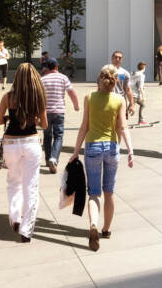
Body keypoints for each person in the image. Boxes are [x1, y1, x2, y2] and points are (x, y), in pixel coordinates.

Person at [69, 64, 134, 251]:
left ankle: (93, 225)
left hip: (92, 147)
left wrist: (75, 151)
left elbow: (84, 127)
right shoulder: (119, 100)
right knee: (109, 192)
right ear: (115, 82)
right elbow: (122, 127)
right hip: (113, 147)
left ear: (100, 79)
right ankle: (106, 230)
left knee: (94, 192)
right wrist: (130, 150)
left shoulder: (89, 98)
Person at [0, 63, 48, 243]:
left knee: (13, 182)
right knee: (30, 186)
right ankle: (26, 230)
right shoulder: (38, 97)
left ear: (16, 77)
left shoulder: (8, 97)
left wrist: (12, 116)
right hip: (31, 143)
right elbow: (45, 124)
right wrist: (33, 118)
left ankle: (15, 218)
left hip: (11, 143)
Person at [40, 58, 80, 172]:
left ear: (47, 67)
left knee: (47, 136)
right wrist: (76, 106)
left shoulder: (42, 79)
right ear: (57, 66)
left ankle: (48, 159)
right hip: (59, 112)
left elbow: (38, 96)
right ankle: (54, 158)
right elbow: (72, 92)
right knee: (58, 136)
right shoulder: (63, 78)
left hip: (45, 112)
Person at [110, 51, 134, 121]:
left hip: (120, 102)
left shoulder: (124, 73)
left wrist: (132, 104)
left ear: (121, 60)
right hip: (108, 101)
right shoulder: (106, 71)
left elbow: (128, 89)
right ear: (112, 58)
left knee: (121, 126)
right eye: (115, 57)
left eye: (119, 58)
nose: (117, 59)